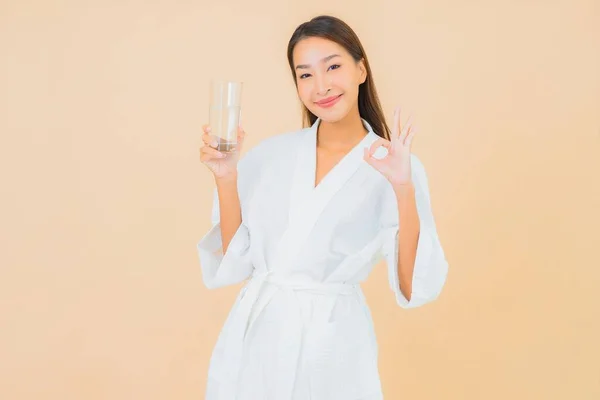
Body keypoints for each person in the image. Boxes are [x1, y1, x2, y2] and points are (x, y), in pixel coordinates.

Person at [196, 14, 449, 400]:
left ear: (361, 69)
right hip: (261, 338)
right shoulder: (270, 156)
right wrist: (226, 176)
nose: (322, 86)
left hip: (333, 345)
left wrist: (403, 187)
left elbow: (414, 285)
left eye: (333, 66)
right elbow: (236, 260)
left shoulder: (394, 163)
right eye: (305, 74)